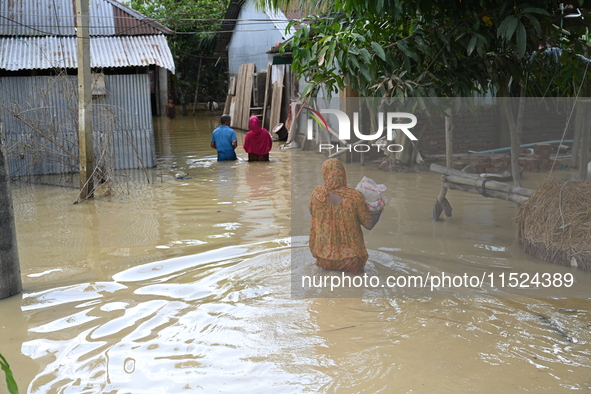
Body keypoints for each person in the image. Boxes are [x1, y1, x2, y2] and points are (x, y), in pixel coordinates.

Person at [309, 159, 383, 274]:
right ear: (342, 173)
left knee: (325, 289)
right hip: (351, 261)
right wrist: (379, 207)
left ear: (325, 173)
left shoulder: (317, 194)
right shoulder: (354, 197)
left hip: (324, 258)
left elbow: (313, 214)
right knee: (355, 289)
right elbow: (369, 225)